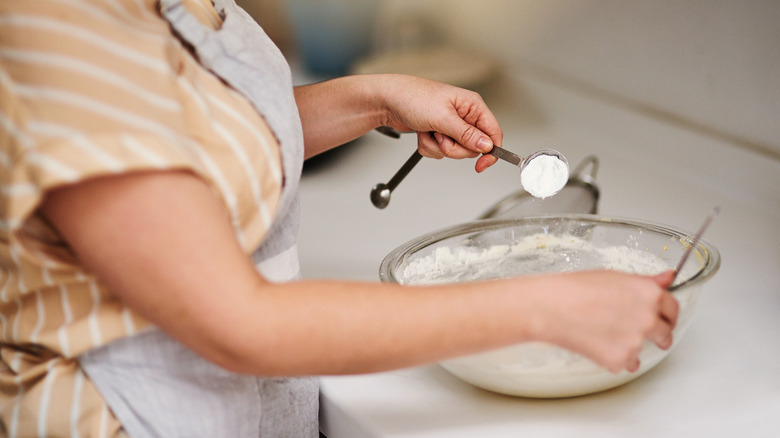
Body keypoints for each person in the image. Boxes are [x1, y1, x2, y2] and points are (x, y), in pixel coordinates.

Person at [0, 0, 678, 436]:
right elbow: (238, 324)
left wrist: (374, 101)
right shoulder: (62, 24)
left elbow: (194, 144)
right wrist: (539, 309)